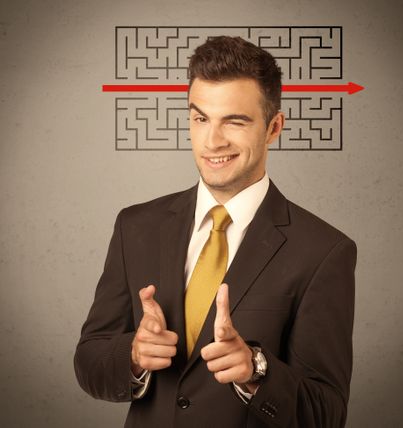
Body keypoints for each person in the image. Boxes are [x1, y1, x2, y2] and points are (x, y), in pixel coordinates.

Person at [74, 36, 357, 428]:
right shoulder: (135, 227)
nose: (212, 141)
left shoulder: (325, 251)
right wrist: (133, 356)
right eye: (200, 118)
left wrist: (257, 371)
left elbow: (327, 413)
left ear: (273, 127)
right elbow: (89, 361)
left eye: (235, 121)